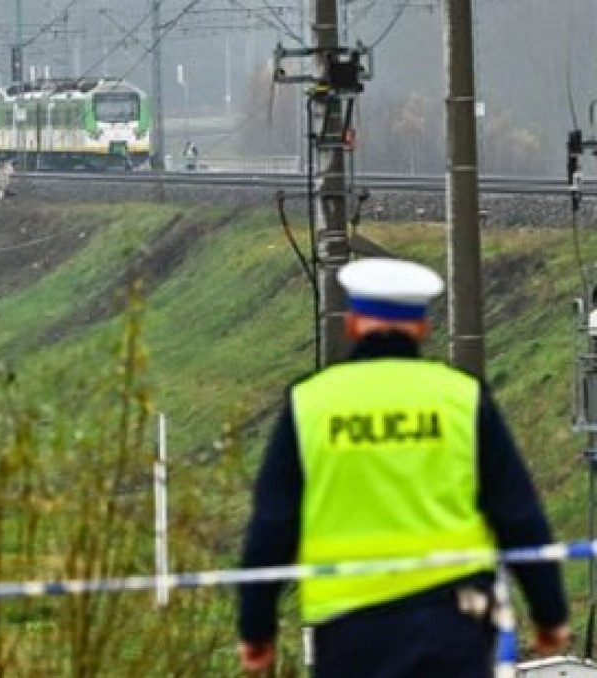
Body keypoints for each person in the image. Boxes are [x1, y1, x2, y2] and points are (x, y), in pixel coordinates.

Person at [237, 257, 570, 677]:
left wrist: (256, 630)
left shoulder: (311, 404)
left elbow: (273, 525)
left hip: (349, 631)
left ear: (353, 323)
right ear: (423, 327)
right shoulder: (461, 399)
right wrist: (549, 615)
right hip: (453, 625)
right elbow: (517, 514)